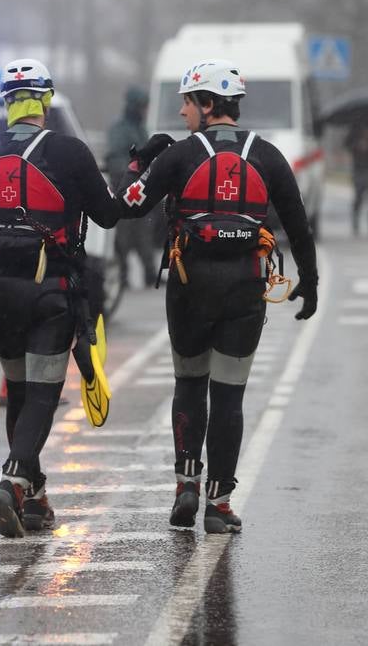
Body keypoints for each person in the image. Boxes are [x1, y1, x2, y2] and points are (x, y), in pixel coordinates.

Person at [113, 60, 318, 534]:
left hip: (189, 286)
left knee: (189, 383)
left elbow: (126, 206)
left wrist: (140, 163)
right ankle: (220, 503)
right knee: (229, 394)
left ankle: (186, 483)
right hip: (244, 288)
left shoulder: (179, 156)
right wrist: (310, 282)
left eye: (187, 102)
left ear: (207, 104)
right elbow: (297, 224)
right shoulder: (266, 155)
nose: (183, 112)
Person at [0, 58, 122, 538]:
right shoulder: (71, 152)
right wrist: (136, 175)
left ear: (6, 101)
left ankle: (33, 498)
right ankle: (13, 478)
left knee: (20, 393)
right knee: (44, 394)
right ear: (45, 100)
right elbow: (107, 215)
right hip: (52, 289)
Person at [105, 86, 159, 287]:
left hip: (141, 190)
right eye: (143, 107)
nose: (146, 111)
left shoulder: (140, 127)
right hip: (124, 188)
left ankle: (150, 274)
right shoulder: (119, 129)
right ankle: (123, 277)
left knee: (145, 233)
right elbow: (116, 158)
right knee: (124, 237)